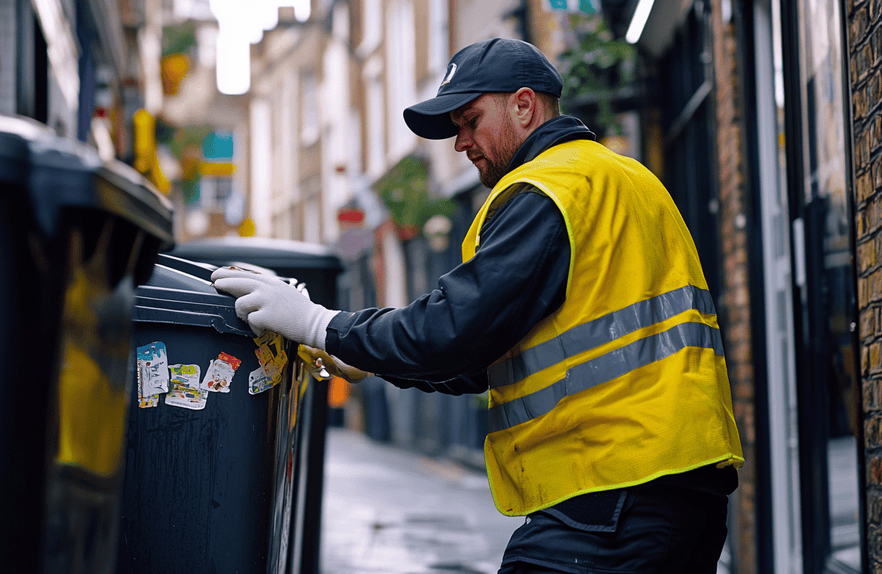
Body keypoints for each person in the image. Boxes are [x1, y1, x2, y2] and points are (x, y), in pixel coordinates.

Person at [212, 37, 744, 573]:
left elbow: (454, 330)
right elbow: (483, 356)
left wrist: (320, 323)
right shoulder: (626, 178)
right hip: (675, 487)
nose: (461, 142)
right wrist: (366, 356)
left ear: (522, 104)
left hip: (612, 492)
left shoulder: (547, 189)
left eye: (470, 120)